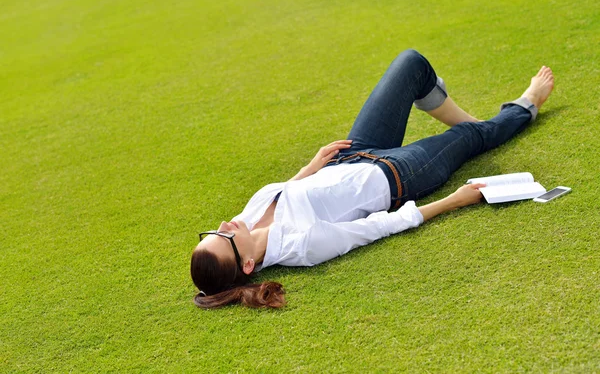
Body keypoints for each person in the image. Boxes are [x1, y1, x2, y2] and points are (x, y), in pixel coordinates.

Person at [191, 49, 554, 309]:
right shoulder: (302, 246)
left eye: (211, 233)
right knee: (471, 139)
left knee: (410, 64)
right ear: (249, 265)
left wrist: (310, 168)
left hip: (352, 154)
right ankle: (524, 106)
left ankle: (483, 130)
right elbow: (375, 228)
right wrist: (453, 200)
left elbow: (287, 192)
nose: (223, 225)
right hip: (396, 174)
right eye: (223, 237)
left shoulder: (246, 222)